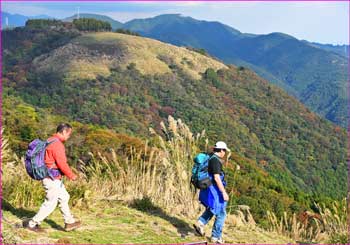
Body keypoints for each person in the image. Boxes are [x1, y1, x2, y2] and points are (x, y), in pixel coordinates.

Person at [24, 123, 81, 232]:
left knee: (64, 197)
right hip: (51, 178)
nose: (69, 137)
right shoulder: (57, 145)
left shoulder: (50, 140)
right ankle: (32, 224)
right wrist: (72, 176)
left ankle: (69, 222)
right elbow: (62, 164)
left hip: (52, 177)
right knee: (51, 203)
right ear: (64, 132)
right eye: (69, 134)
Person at [193, 141, 230, 244]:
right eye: (225, 151)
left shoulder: (210, 157)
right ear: (222, 150)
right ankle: (216, 237)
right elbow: (217, 178)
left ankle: (200, 223)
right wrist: (223, 192)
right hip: (214, 188)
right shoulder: (215, 161)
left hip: (208, 187)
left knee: (213, 208)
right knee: (221, 212)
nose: (225, 153)